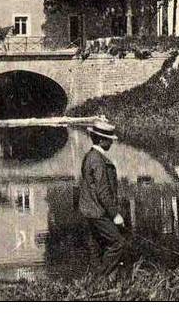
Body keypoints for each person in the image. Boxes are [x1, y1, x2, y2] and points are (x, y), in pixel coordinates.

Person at [77, 119, 131, 279]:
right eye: (109, 140)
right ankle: (101, 277)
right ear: (101, 140)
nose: (111, 143)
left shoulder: (90, 156)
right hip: (97, 211)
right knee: (118, 243)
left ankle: (100, 279)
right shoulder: (98, 160)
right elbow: (102, 192)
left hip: (90, 209)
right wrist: (115, 215)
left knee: (97, 247)